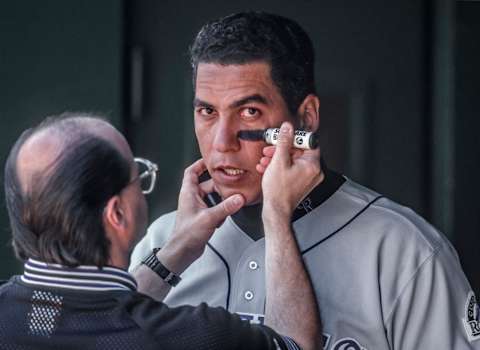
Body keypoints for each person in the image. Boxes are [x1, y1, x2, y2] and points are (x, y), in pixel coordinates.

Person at [130, 11, 480, 350]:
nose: (222, 142)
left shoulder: (403, 249)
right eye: (207, 111)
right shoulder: (163, 242)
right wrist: (171, 255)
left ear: (306, 119)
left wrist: (277, 215)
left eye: (249, 111)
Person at [0, 113, 323, 349]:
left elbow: (98, 313)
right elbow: (297, 346)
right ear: (117, 213)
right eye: (137, 175)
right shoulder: (195, 337)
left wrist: (177, 249)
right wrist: (278, 210)